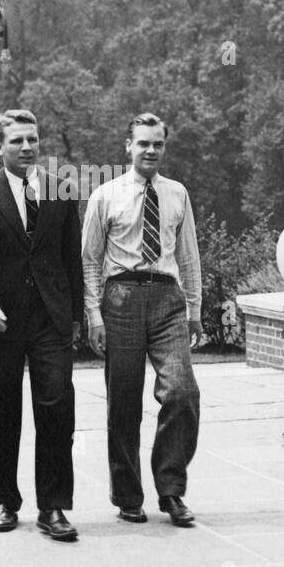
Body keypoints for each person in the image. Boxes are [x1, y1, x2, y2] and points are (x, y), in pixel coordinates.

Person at [0, 109, 84, 542]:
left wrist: (77, 318)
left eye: (33, 139)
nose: (27, 147)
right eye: (17, 141)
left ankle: (54, 507)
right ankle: (6, 500)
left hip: (50, 321)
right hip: (0, 323)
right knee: (3, 413)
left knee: (57, 410)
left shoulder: (62, 192)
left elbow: (71, 262)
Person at [82, 112, 203, 528]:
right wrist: (93, 314)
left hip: (168, 299)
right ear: (127, 146)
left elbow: (188, 256)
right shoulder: (106, 195)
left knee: (182, 393)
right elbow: (89, 261)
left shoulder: (177, 194)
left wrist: (196, 310)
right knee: (124, 403)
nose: (150, 151)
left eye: (158, 144)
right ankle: (128, 495)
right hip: (122, 298)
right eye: (143, 143)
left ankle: (171, 490)